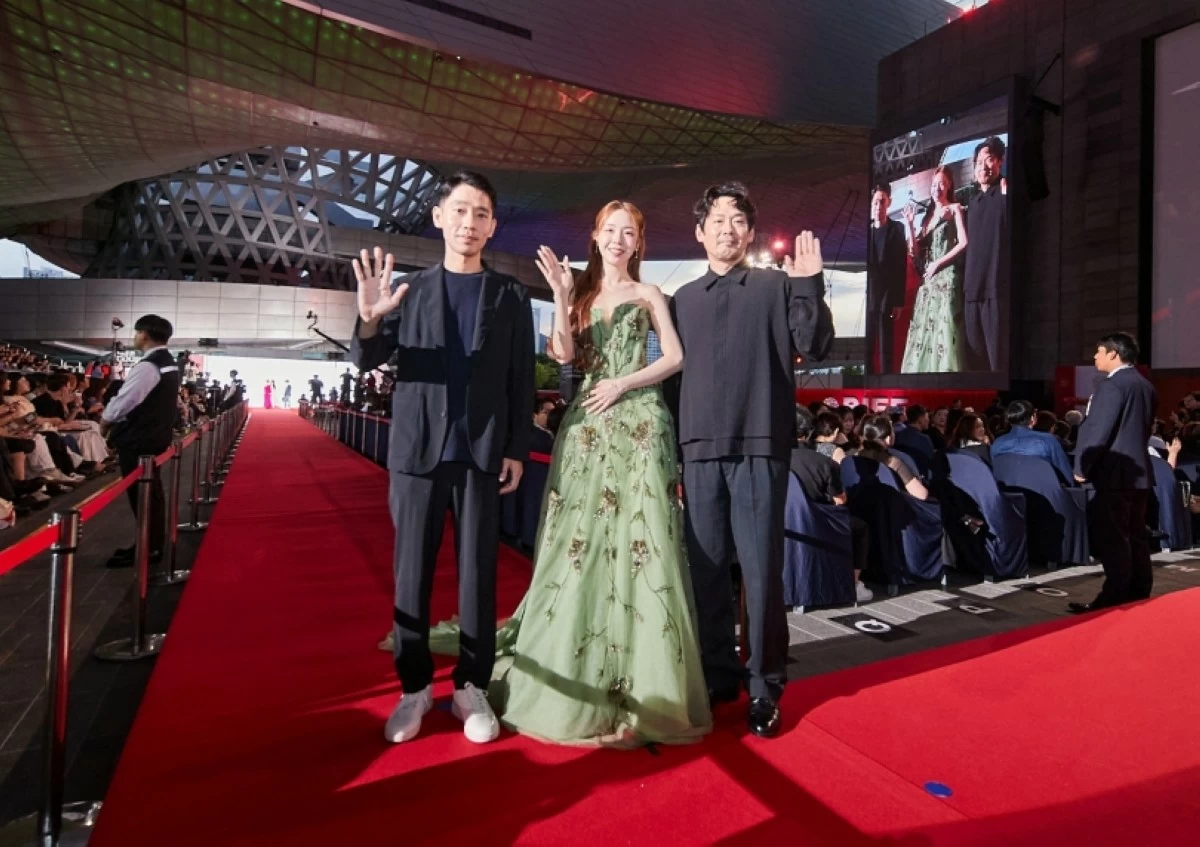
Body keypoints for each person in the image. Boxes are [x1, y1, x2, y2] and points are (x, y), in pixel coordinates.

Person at [434, 199, 711, 748]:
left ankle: (646, 677)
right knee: (579, 541)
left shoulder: (650, 294)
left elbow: (675, 357)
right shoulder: (580, 294)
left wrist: (624, 383)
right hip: (586, 428)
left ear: (638, 242)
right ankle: (574, 663)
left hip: (640, 424)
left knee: (644, 540)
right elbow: (563, 354)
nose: (619, 239)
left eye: (628, 232)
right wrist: (561, 295)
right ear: (596, 236)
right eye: (611, 230)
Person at [349, 171, 534, 746]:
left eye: (480, 214)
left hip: (481, 452)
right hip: (417, 450)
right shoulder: (411, 290)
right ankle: (414, 687)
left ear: (492, 226)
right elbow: (367, 358)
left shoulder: (509, 295)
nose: (468, 223)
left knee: (479, 573)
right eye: (459, 211)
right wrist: (371, 316)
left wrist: (516, 448)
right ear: (438, 217)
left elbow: (520, 379)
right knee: (411, 573)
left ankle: (470, 685)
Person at [669, 181, 833, 738]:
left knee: (761, 574)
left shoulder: (775, 286)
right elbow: (670, 380)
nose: (727, 229)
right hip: (698, 451)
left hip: (761, 444)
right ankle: (718, 675)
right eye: (717, 220)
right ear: (700, 232)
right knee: (707, 571)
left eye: (737, 220)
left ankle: (765, 685)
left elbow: (814, 345)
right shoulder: (683, 299)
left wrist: (809, 283)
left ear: (751, 232)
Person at [1069, 333, 1156, 613]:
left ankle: (1114, 597)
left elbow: (1098, 430)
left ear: (1114, 354)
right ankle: (1139, 590)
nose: (1095, 356)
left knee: (1114, 537)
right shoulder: (1145, 385)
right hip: (1139, 473)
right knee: (1136, 534)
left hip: (1113, 474)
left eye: (1099, 351)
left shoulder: (1111, 386)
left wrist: (1082, 467)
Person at [100, 315, 182, 568]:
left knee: (142, 494)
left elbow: (127, 399)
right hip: (154, 434)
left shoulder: (149, 366)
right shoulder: (168, 363)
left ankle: (149, 547)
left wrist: (106, 420)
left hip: (139, 438)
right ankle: (151, 544)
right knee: (151, 493)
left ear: (145, 334)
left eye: (137, 333)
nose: (135, 337)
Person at [791, 408, 872, 603]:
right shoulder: (823, 462)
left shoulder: (774, 459)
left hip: (782, 521)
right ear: (809, 432)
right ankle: (854, 584)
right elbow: (840, 500)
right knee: (861, 528)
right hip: (817, 521)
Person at [900, 167, 968, 373]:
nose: (937, 188)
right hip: (928, 281)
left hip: (947, 277)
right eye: (934, 184)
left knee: (944, 329)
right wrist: (910, 224)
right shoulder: (927, 219)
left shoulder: (955, 209)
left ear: (948, 186)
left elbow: (964, 243)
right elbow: (915, 253)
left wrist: (938, 264)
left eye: (941, 184)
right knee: (924, 332)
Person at [963, 136, 1008, 372]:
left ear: (1000, 161)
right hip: (972, 289)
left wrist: (1007, 197)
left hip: (994, 288)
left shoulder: (1004, 192)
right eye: (979, 162)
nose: (983, 166)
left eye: (989, 160)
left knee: (996, 360)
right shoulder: (973, 202)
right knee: (975, 357)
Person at [866, 182, 910, 373]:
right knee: (867, 345)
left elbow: (901, 266)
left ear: (889, 202)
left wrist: (899, 301)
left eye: (882, 202)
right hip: (868, 295)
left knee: (886, 346)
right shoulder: (866, 232)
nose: (878, 206)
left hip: (887, 296)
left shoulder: (897, 229)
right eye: (875, 202)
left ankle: (886, 380)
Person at [991, 400, 1075, 485]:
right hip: (1043, 491)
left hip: (1008, 491)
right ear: (1033, 418)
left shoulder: (997, 443)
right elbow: (1065, 471)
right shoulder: (1047, 441)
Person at [853, 416, 931, 501]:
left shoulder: (853, 457)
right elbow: (921, 495)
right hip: (888, 507)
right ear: (888, 439)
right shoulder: (893, 462)